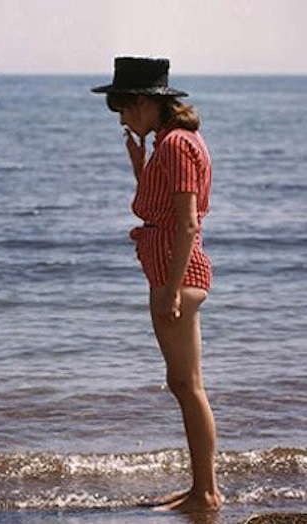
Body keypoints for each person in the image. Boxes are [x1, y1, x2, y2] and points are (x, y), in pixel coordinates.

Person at [92, 57, 222, 513]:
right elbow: (160, 208)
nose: (123, 119)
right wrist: (138, 164)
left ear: (146, 103)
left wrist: (169, 288)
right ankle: (199, 487)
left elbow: (186, 224)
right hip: (172, 270)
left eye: (125, 109)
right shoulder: (167, 144)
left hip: (176, 273)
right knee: (185, 384)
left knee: (187, 386)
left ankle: (205, 492)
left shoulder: (175, 146)